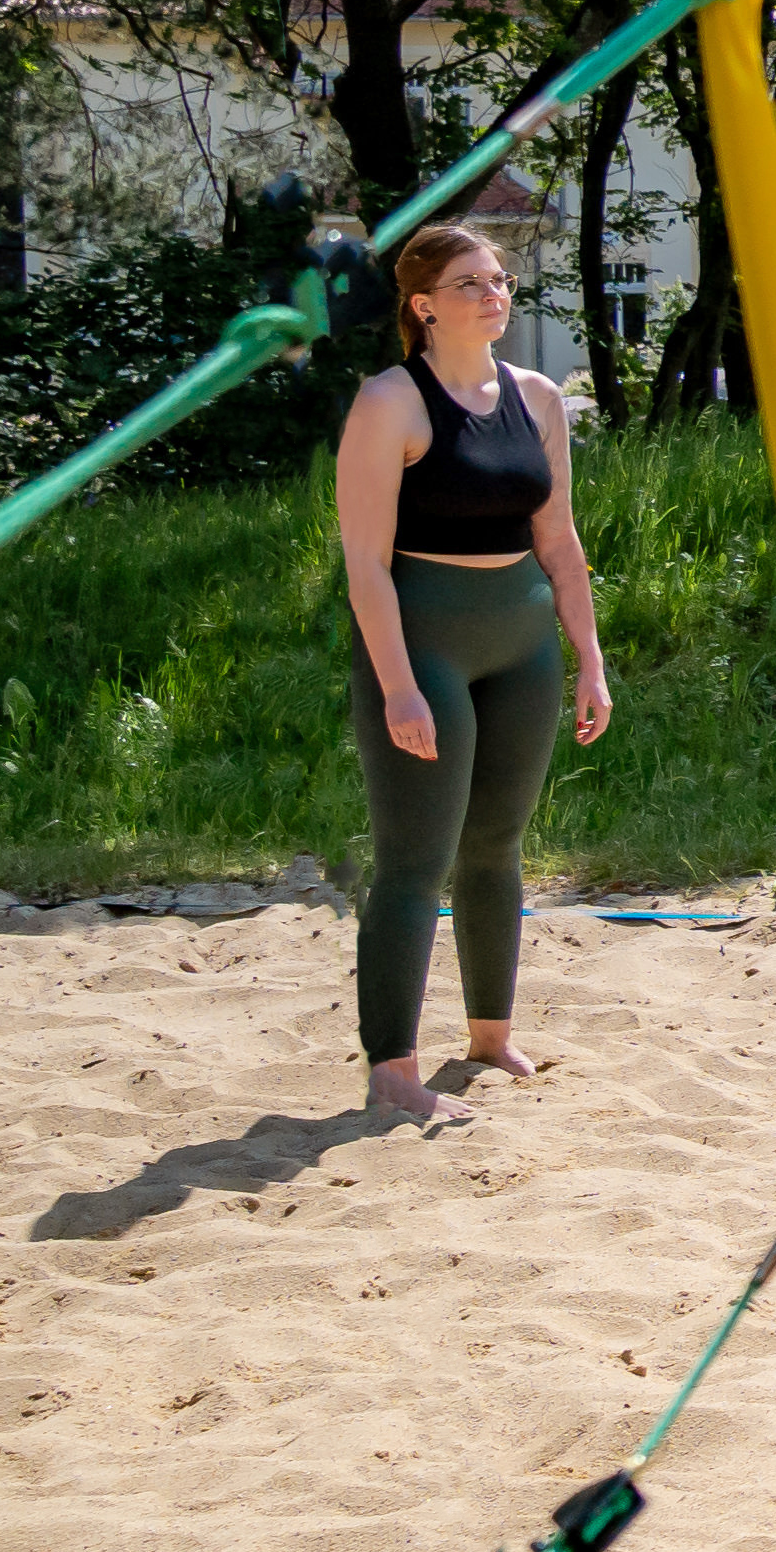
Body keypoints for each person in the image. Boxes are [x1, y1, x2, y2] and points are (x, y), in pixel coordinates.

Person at [329, 219, 611, 1124]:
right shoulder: (390, 402)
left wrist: (589, 661)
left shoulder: (538, 397)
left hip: (520, 642)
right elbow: (366, 563)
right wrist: (400, 684)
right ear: (423, 305)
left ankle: (489, 1035)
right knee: (415, 861)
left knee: (496, 846)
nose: (496, 296)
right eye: (472, 284)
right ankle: (394, 1073)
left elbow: (559, 541)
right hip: (424, 648)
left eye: (502, 282)